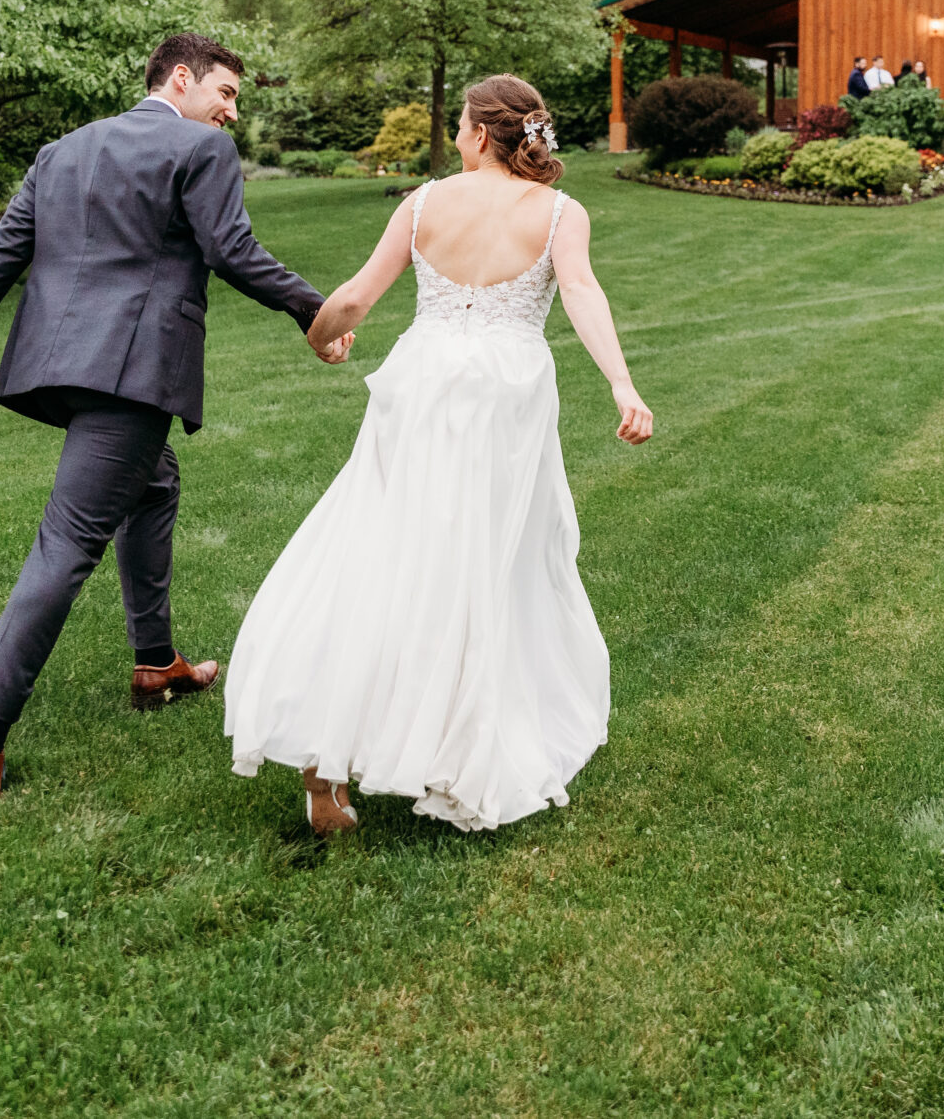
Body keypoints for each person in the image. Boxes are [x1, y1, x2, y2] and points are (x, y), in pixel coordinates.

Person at [0, 32, 349, 804]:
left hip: (60, 365)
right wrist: (317, 310)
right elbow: (232, 248)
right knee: (68, 540)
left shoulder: (64, 150)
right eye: (227, 94)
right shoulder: (200, 151)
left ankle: (156, 663)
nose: (232, 113)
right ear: (182, 79)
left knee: (154, 483)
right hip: (134, 372)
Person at [225, 75, 653, 834]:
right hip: (505, 395)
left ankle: (328, 755)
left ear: (480, 134)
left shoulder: (422, 203)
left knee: (381, 546)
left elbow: (356, 297)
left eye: (461, 122)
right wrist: (623, 385)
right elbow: (583, 293)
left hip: (423, 384)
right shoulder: (560, 213)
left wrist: (323, 336)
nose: (457, 133)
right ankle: (465, 750)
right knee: (484, 566)